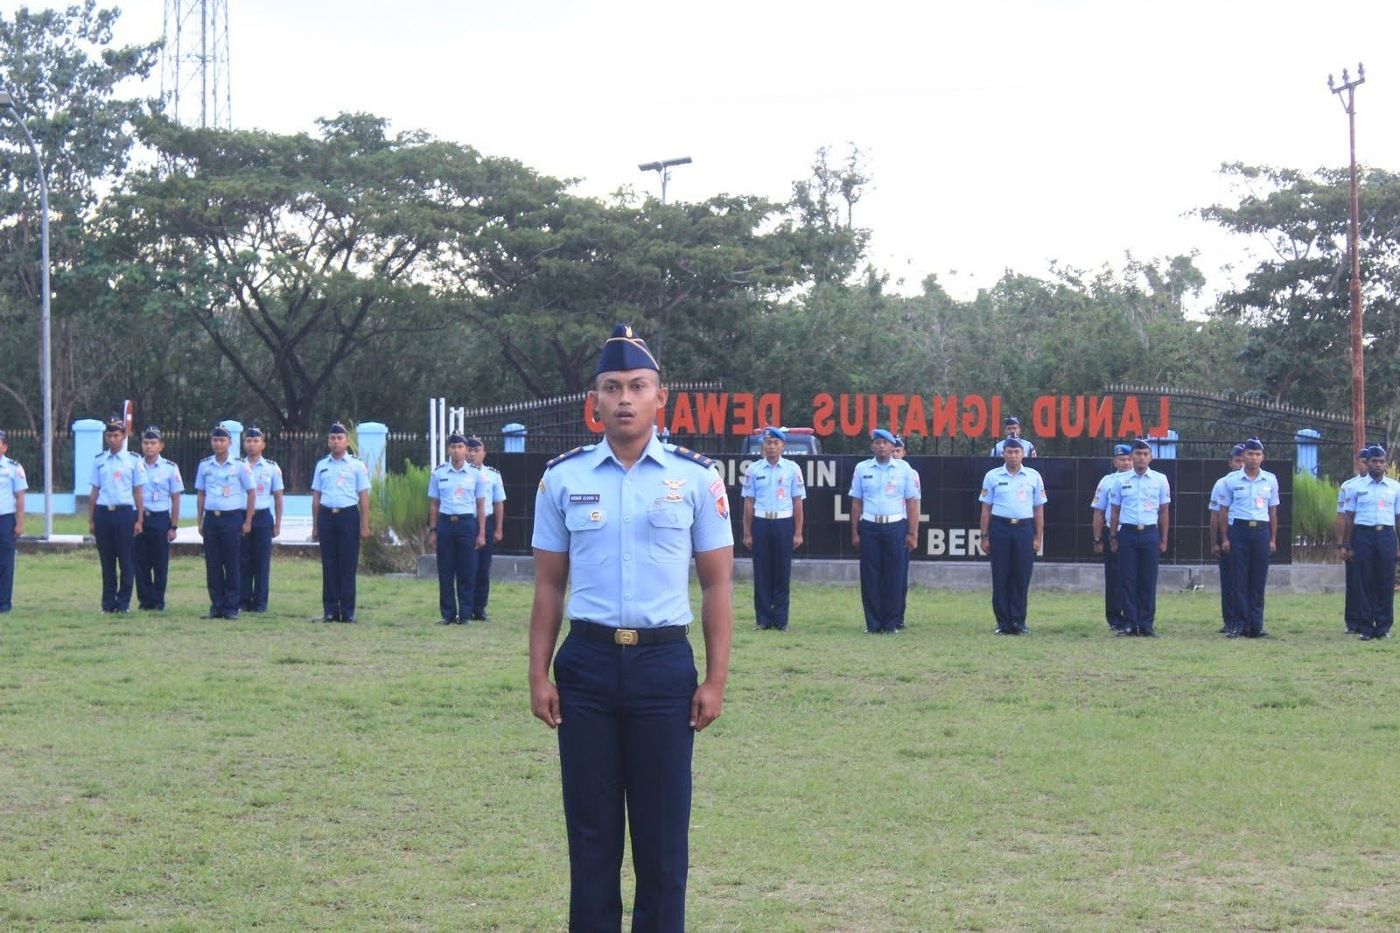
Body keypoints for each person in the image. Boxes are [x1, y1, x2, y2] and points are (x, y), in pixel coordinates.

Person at [529, 323, 734, 932]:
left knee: (663, 836)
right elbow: (547, 586)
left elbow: (718, 585)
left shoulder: (697, 478)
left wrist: (716, 679)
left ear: (659, 397)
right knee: (591, 837)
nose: (624, 397)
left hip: (664, 667)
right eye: (612, 387)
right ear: (593, 401)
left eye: (637, 386)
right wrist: (537, 673)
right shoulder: (563, 478)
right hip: (586, 666)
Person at [849, 428, 921, 634]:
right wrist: (855, 532)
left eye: (885, 443)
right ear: (872, 446)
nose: (881, 446)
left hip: (895, 526)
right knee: (870, 576)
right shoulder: (862, 468)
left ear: (892, 446)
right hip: (870, 526)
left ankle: (890, 624)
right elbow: (856, 503)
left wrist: (912, 533)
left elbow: (912, 503)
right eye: (877, 442)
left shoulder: (904, 469)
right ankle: (872, 623)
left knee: (894, 576)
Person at [978, 437, 1046, 635]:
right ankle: (1003, 622)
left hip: (1024, 528)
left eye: (1017, 452)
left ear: (1023, 454)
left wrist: (1038, 537)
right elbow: (986, 509)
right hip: (1000, 528)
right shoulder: (992, 476)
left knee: (1021, 575)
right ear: (1003, 453)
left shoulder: (1033, 476)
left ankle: (1018, 621)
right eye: (1009, 452)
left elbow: (1039, 510)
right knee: (1001, 575)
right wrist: (984, 536)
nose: (1013, 455)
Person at [741, 426, 806, 631]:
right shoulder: (754, 469)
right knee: (762, 572)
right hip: (761, 522)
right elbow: (748, 502)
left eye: (775, 443)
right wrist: (747, 532)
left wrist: (798, 532)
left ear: (782, 446)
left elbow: (798, 502)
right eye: (768, 443)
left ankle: (780, 620)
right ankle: (763, 619)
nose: (771, 446)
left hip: (783, 522)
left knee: (782, 572)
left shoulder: (792, 469)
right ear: (763, 446)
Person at [1216, 438, 1279, 639]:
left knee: (1258, 580)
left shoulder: (1270, 480)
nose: (1254, 458)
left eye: (1257, 454)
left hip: (1261, 531)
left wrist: (1272, 538)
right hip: (1239, 531)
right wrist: (1224, 538)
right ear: (1243, 457)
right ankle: (1239, 624)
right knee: (1239, 580)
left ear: (1263, 457)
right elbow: (1223, 511)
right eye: (1250, 454)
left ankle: (1256, 625)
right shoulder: (1231, 480)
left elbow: (1273, 512)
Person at [1109, 439, 1171, 637]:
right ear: (1132, 456)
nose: (1141, 458)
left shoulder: (1160, 480)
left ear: (1151, 457)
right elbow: (1115, 511)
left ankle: (1146, 624)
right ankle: (1130, 623)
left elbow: (1164, 512)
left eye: (1145, 454)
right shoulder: (1120, 481)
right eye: (1138, 454)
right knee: (1127, 579)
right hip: (1127, 533)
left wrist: (1164, 538)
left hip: (1150, 533)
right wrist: (1113, 536)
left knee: (1148, 579)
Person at [310, 422, 371, 622]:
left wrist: (364, 524)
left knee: (348, 565)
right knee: (329, 565)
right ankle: (330, 610)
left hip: (348, 517)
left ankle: (347, 612)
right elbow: (316, 497)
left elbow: (363, 496)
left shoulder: (356, 465)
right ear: (328, 441)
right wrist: (315, 525)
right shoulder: (322, 465)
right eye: (332, 438)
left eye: (339, 438)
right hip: (327, 516)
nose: (335, 442)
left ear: (347, 442)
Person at [1338, 445, 1400, 641]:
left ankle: (1383, 627)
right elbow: (1349, 517)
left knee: (1385, 581)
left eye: (1382, 462)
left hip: (1386, 535)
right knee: (1364, 582)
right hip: (1363, 535)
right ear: (1368, 463)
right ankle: (1365, 627)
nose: (1378, 465)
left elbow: (1398, 518)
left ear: (1386, 464)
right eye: (1374, 461)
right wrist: (1346, 544)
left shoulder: (1395, 487)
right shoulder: (1356, 487)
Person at [195, 425, 255, 620]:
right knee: (212, 564)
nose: (218, 443)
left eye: (222, 440)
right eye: (215, 440)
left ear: (230, 443)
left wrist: (247, 521)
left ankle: (231, 607)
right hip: (212, 518)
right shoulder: (205, 465)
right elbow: (201, 493)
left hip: (232, 518)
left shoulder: (239, 466)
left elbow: (251, 492)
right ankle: (216, 605)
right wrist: (200, 519)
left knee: (232, 563)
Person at [88, 418, 147, 614]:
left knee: (126, 560)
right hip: (104, 512)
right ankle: (108, 603)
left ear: (124, 436)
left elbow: (138, 491)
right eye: (109, 435)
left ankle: (123, 603)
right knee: (107, 561)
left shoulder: (133, 460)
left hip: (124, 513)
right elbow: (95, 491)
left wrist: (139, 519)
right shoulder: (100, 460)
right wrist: (91, 518)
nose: (112, 439)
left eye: (116, 435)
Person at [428, 433, 487, 625]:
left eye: (460, 447)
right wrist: (434, 530)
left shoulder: (475, 474)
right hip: (445, 524)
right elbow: (434, 504)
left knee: (467, 571)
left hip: (466, 524)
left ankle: (465, 614)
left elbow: (480, 506)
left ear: (466, 450)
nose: (456, 450)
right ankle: (448, 614)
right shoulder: (439, 473)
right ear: (448, 450)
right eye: (452, 447)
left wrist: (481, 532)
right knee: (445, 571)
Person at [134, 427, 183, 612]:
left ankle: (158, 600)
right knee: (141, 562)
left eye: (153, 443)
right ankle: (145, 601)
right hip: (140, 518)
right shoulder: (135, 465)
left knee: (160, 562)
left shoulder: (170, 468)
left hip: (160, 518)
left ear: (161, 446)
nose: (149, 447)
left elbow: (176, 498)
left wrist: (174, 526)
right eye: (146, 443)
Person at [239, 427, 285, 613]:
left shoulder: (271, 468)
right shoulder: (237, 466)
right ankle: (243, 601)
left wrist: (278, 523)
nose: (251, 445)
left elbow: (278, 496)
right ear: (244, 444)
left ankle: (260, 603)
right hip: (240, 515)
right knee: (242, 560)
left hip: (263, 517)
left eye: (255, 441)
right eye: (248, 441)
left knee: (261, 562)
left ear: (263, 444)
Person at [1090, 443, 1132, 632]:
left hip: (1133, 531)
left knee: (1133, 576)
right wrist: (1097, 538)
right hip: (1112, 532)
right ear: (1115, 461)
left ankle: (1133, 614)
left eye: (1129, 459)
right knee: (1114, 577)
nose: (1126, 462)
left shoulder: (1144, 479)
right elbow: (1098, 512)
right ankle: (1115, 618)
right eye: (1122, 459)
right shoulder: (1107, 481)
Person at [466, 435, 506, 621]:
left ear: (484, 453)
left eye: (476, 451)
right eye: (470, 450)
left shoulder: (492, 475)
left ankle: (479, 609)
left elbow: (498, 503)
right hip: (467, 521)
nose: (472, 454)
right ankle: (465, 607)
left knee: (483, 567)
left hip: (486, 522)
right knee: (467, 567)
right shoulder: (462, 473)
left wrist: (498, 528)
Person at [1209, 444, 1246, 635]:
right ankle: (1230, 620)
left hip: (1248, 532)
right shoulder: (1223, 483)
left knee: (1247, 580)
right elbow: (1215, 515)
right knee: (1230, 578)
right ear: (1230, 463)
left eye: (1243, 460)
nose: (1241, 464)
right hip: (1229, 532)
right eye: (1237, 461)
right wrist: (1215, 541)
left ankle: (1247, 619)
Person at [1336, 448, 1370, 635]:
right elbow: (1342, 516)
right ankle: (1353, 621)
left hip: (1373, 536)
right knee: (1354, 580)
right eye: (1362, 461)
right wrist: (1342, 543)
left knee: (1372, 581)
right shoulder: (1349, 486)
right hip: (1354, 537)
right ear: (1357, 462)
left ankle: (1371, 619)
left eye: (1368, 461)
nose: (1365, 465)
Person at [0, 428, 26, 614]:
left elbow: (20, 497)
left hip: (5, 519)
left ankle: (4, 604)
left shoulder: (14, 468)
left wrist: (20, 523)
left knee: (5, 562)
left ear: (4, 447)